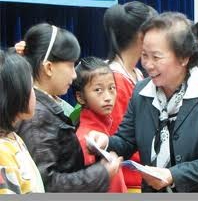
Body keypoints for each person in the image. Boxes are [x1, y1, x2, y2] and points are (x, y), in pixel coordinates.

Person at [88, 12, 198, 192]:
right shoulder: (141, 92)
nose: (147, 64)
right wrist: (105, 142)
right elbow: (126, 141)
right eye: (144, 55)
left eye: (156, 57)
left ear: (184, 57)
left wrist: (172, 175)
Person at [15, 23, 121, 192]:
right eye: (71, 65)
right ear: (49, 67)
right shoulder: (37, 115)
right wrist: (101, 173)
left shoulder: (45, 106)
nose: (73, 75)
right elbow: (46, 184)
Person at [103, 1, 157, 192]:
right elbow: (122, 136)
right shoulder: (114, 78)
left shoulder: (137, 74)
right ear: (141, 35)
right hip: (129, 179)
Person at [72, 56, 127, 193]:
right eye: (98, 90)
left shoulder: (104, 129)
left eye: (112, 88)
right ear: (80, 97)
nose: (108, 97)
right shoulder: (86, 139)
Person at [0, 51, 45, 194]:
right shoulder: (2, 153)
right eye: (31, 87)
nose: (34, 93)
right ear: (15, 95)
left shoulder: (13, 137)